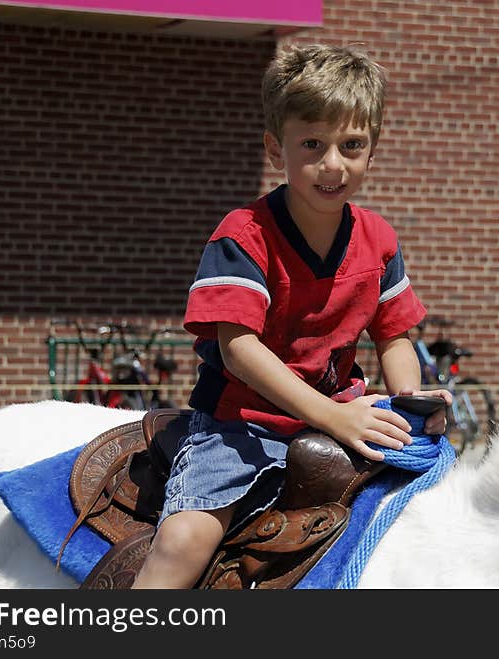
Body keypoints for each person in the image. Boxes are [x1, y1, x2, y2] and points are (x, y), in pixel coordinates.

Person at [132, 43, 451, 589]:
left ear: (372, 151)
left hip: (345, 409)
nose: (333, 164)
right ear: (275, 149)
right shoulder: (244, 234)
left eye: (352, 145)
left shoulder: (378, 238)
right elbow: (239, 348)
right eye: (312, 144)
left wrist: (409, 401)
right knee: (186, 540)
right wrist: (332, 417)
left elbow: (394, 333)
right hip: (242, 423)